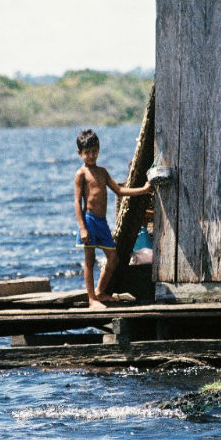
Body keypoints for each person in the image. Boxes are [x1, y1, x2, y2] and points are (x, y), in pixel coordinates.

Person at [74, 129, 152, 309]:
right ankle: (91, 299)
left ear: (98, 150)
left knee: (113, 258)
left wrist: (144, 189)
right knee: (89, 259)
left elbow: (120, 190)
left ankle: (100, 292)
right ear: (80, 154)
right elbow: (77, 203)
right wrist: (82, 227)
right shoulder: (81, 174)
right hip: (89, 220)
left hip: (101, 223)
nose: (91, 156)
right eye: (87, 153)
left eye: (94, 151)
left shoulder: (102, 172)